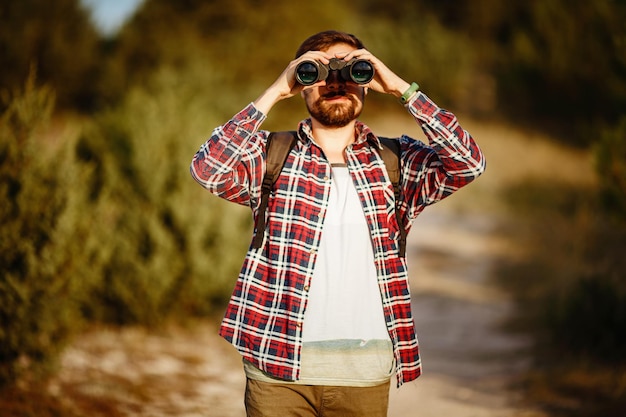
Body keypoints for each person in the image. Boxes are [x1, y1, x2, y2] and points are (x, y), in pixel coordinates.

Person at [190, 30, 486, 417]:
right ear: (302, 84)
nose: (335, 82)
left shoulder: (397, 162)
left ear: (367, 81)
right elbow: (207, 168)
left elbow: (468, 163)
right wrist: (275, 90)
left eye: (351, 69)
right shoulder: (270, 155)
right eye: (317, 71)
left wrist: (401, 89)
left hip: (363, 373)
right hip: (276, 371)